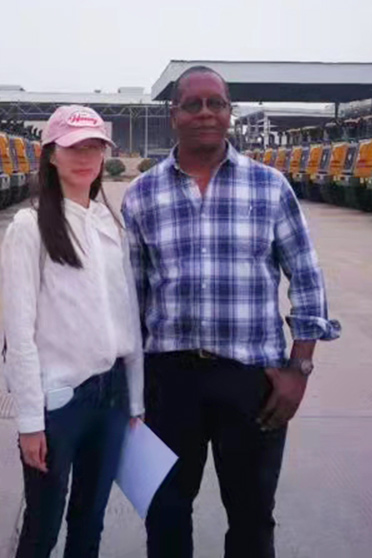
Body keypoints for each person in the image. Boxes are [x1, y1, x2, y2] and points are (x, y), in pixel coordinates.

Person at [121, 67, 341, 558]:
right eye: (193, 104)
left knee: (251, 515)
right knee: (166, 511)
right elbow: (132, 300)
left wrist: (298, 370)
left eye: (216, 104)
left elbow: (306, 278)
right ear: (173, 114)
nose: (205, 113)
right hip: (168, 382)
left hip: (252, 381)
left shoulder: (270, 187)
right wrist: (132, 390)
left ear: (229, 114)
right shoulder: (142, 195)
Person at [2, 105, 145, 558]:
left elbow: (129, 320)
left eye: (94, 147)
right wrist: (29, 423)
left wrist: (135, 402)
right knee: (42, 526)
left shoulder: (112, 225)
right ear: (50, 156)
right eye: (73, 147)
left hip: (111, 399)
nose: (85, 157)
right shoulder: (30, 227)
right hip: (60, 402)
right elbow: (19, 335)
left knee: (89, 521)